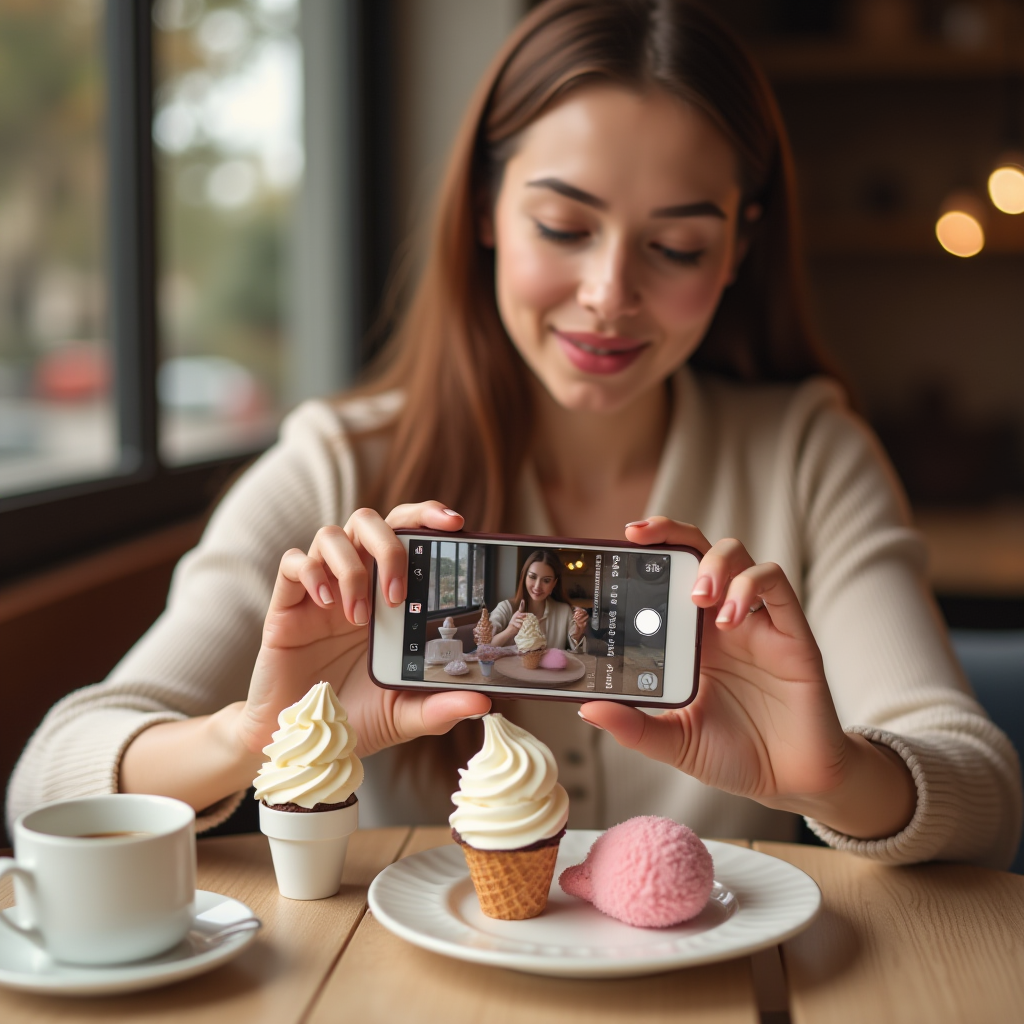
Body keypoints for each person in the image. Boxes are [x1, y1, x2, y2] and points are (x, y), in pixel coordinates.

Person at [9, 0, 1021, 867]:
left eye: (675, 245)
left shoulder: (808, 454)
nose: (609, 295)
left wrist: (835, 778)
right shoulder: (338, 461)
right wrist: (253, 735)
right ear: (488, 208)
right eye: (563, 226)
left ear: (736, 251)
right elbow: (49, 781)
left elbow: (980, 792)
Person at [488, 549, 588, 651]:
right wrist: (510, 630)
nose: (537, 586)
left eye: (546, 580)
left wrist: (578, 635)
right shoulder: (505, 608)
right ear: (524, 576)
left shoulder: (564, 611)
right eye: (532, 577)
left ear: (554, 583)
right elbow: (483, 647)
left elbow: (580, 656)